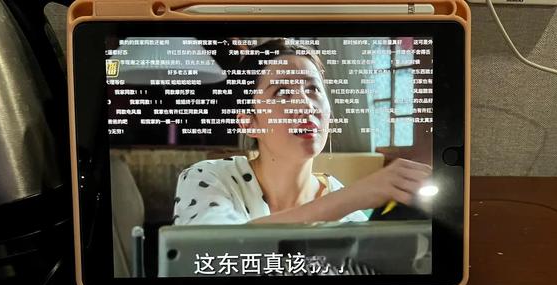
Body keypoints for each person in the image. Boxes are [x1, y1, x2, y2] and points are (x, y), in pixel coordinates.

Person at [173, 38, 431, 225]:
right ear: (248, 123)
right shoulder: (208, 178)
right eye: (282, 92)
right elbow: (209, 251)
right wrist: (350, 199)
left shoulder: (347, 212)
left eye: (313, 89)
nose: (306, 105)